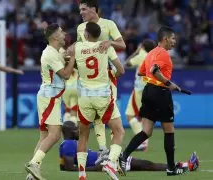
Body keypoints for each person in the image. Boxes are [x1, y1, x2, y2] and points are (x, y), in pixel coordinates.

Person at [119, 26, 189, 176]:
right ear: (165, 39)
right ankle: (171, 168)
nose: (174, 42)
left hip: (148, 92)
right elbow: (154, 71)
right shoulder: (163, 53)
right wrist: (169, 83)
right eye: (173, 38)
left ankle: (124, 156)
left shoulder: (150, 53)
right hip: (160, 93)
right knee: (169, 131)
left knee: (146, 132)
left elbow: (141, 72)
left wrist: (156, 79)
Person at [71, 22, 125, 180]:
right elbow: (121, 70)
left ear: (86, 34)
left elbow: (69, 59)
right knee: (118, 131)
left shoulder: (78, 47)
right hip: (102, 95)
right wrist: (112, 75)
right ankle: (110, 162)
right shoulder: (106, 47)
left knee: (83, 136)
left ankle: (81, 174)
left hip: (84, 98)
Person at [25, 24, 75, 180]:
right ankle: (34, 164)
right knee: (55, 135)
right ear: (54, 37)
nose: (64, 34)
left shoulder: (56, 51)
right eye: (61, 32)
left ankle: (31, 175)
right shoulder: (50, 54)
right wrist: (73, 57)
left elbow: (67, 58)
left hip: (49, 96)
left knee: (44, 136)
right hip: (50, 97)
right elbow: (66, 74)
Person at [76, 0, 126, 157]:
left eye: (84, 9)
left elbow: (122, 45)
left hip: (106, 76)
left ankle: (112, 155)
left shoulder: (108, 24)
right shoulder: (80, 28)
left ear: (93, 9)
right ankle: (104, 150)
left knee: (111, 116)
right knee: (95, 115)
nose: (81, 12)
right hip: (87, 79)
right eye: (80, 10)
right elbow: (79, 49)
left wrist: (109, 41)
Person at [58, 121, 199, 172]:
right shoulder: (69, 145)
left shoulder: (66, 145)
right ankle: (186, 166)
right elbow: (70, 168)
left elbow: (63, 167)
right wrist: (97, 168)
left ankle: (182, 165)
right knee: (147, 165)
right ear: (70, 132)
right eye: (76, 129)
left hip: (106, 160)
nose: (79, 130)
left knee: (146, 165)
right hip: (108, 162)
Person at [124, 39, 157, 151]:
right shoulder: (153, 57)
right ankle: (143, 141)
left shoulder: (141, 55)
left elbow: (126, 63)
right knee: (143, 118)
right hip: (149, 89)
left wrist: (136, 52)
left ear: (142, 47)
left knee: (130, 115)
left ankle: (142, 141)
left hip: (139, 91)